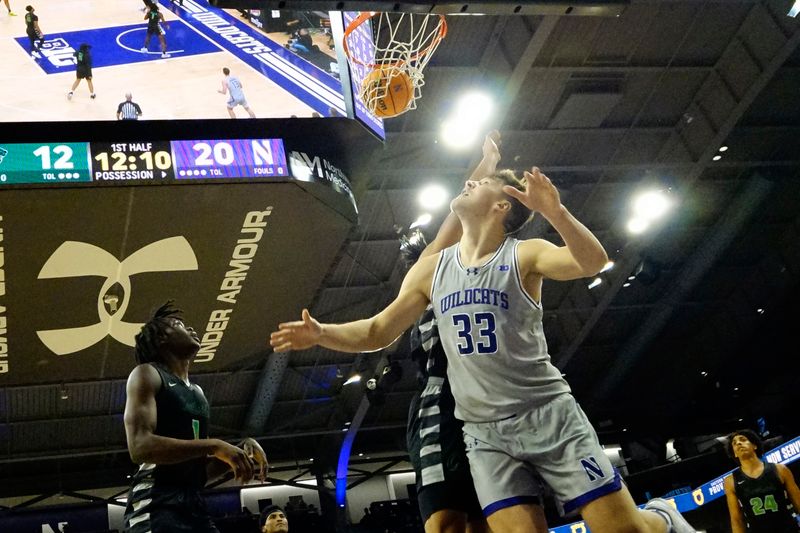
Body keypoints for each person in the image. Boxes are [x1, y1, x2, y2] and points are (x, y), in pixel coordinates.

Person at [271, 135, 696, 533]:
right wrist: (321, 331)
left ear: (502, 207)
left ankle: (662, 516)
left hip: (548, 414)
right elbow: (378, 331)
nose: (470, 182)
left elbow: (591, 262)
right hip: (484, 433)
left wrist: (555, 212)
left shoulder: (524, 253)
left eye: (482, 183)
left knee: (623, 529)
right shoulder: (431, 268)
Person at [403, 132, 501, 533]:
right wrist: (486, 166)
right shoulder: (426, 274)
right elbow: (453, 222)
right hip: (439, 406)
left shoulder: (486, 267)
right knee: (447, 522)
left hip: (489, 401)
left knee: (493, 518)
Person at [123, 302, 268, 533]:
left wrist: (238, 453)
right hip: (156, 503)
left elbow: (198, 473)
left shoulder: (197, 393)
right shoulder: (147, 374)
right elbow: (139, 447)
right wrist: (215, 445)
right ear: (161, 339)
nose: (190, 328)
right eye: (178, 325)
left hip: (193, 504)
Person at [724, 430, 800, 532]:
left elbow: (798, 503)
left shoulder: (780, 469)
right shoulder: (730, 481)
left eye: (743, 439)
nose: (738, 443)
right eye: (734, 443)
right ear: (735, 454)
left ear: (754, 446)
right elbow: (736, 520)